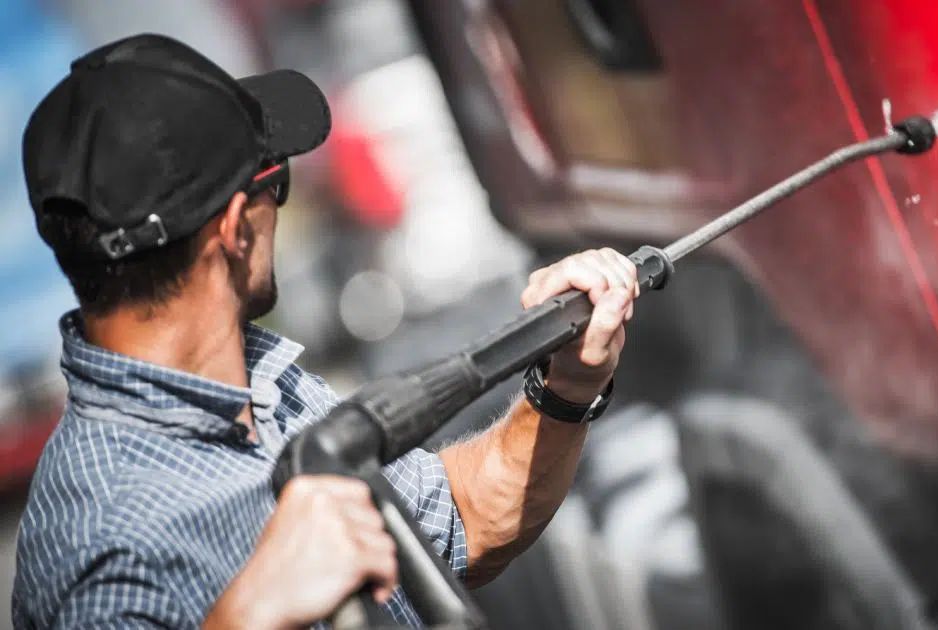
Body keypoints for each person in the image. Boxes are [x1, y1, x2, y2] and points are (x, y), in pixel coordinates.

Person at [12, 33, 639, 629]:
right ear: (234, 228)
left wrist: (565, 387)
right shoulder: (97, 535)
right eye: (272, 182)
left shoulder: (255, 380)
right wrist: (253, 612)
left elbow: (459, 524)